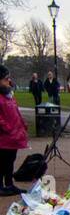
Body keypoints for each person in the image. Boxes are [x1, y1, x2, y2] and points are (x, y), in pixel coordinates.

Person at [0, 66, 29, 196]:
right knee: (2, 161)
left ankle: (9, 183)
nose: (9, 81)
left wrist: (22, 124)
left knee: (11, 160)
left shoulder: (9, 95)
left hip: (14, 135)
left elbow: (16, 111)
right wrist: (8, 128)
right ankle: (1, 186)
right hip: (4, 136)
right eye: (6, 79)